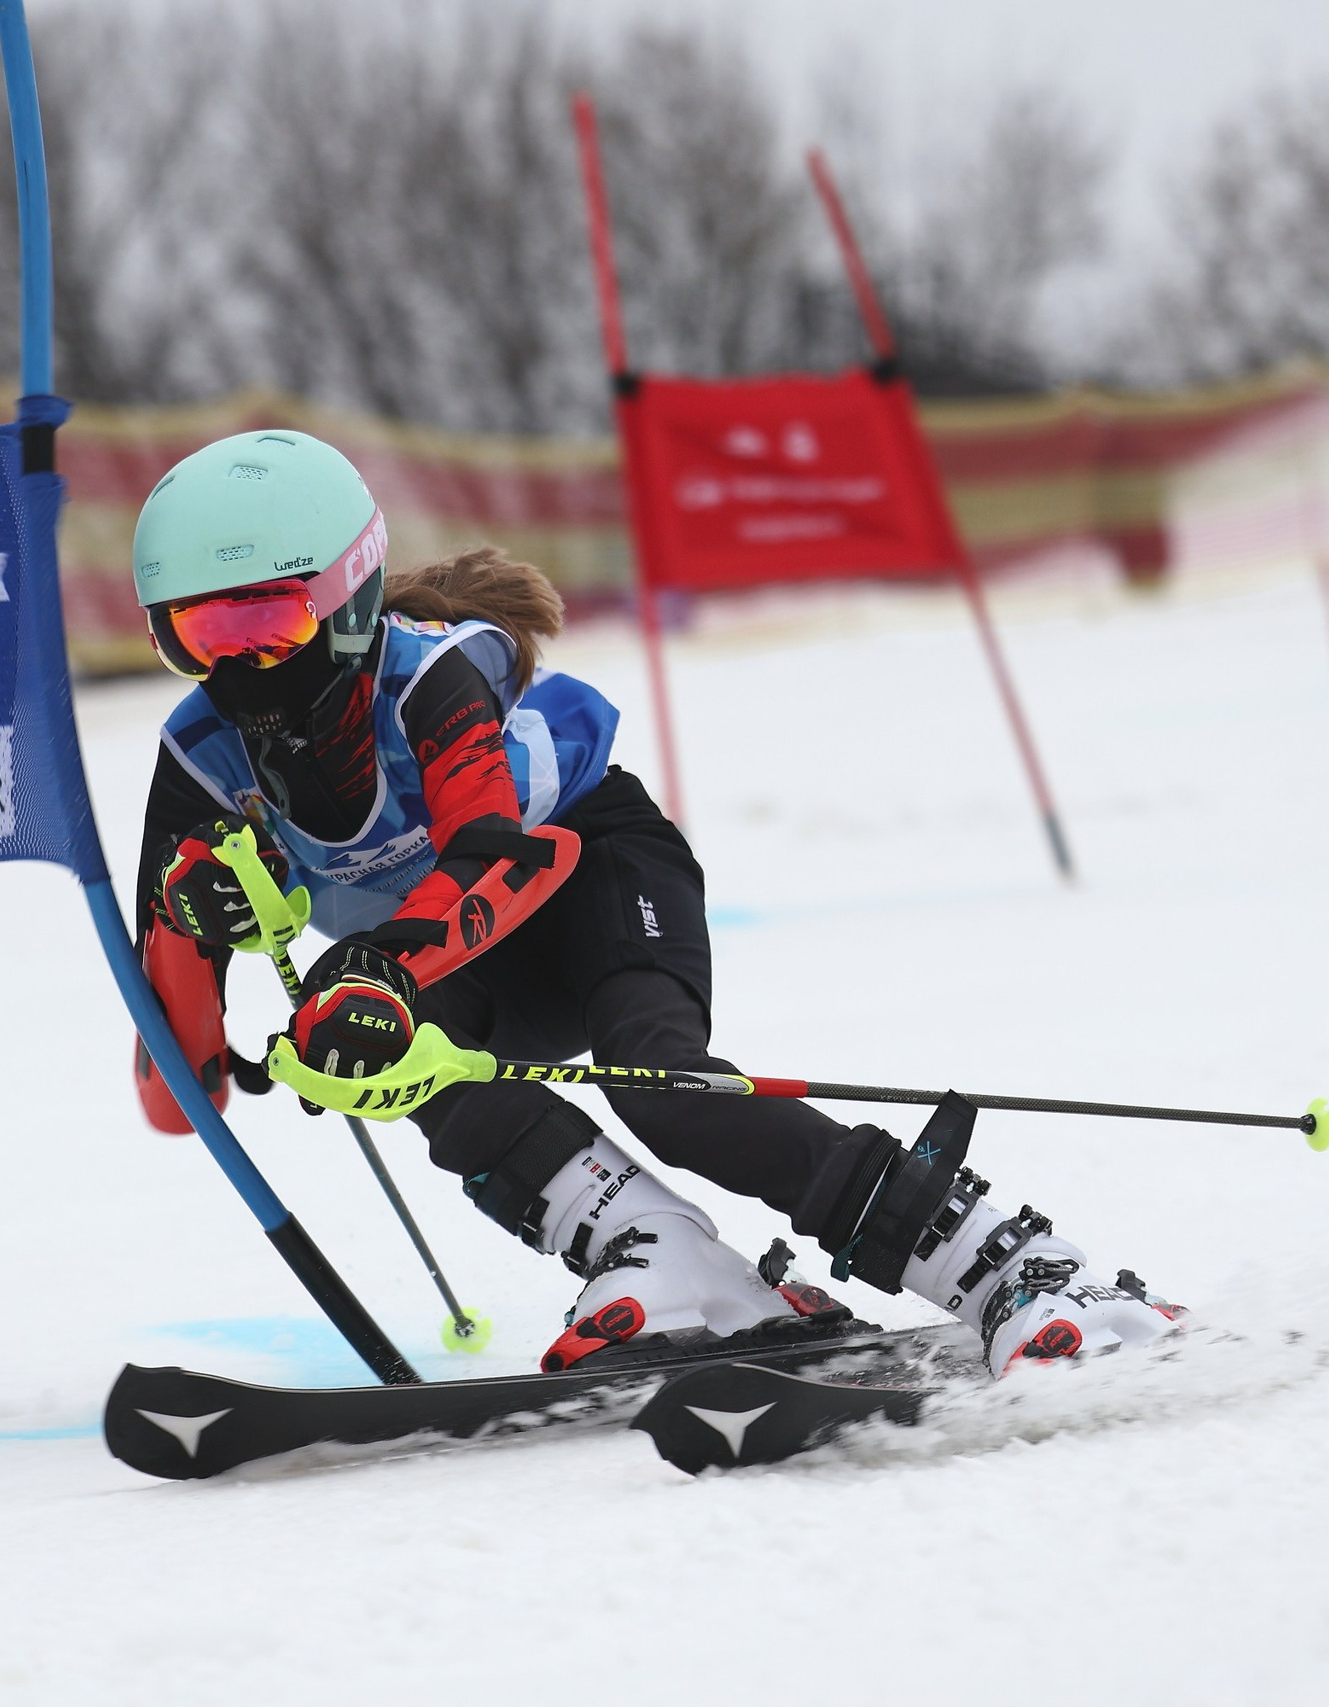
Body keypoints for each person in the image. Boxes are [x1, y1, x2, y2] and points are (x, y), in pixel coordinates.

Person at [126, 429, 1179, 1376]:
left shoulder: (431, 677)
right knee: (380, 1051)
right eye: (198, 636)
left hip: (594, 874)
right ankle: (664, 1258)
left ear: (350, 597)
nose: (239, 668)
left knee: (661, 1081)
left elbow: (499, 858)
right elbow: (178, 1094)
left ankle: (1009, 1265)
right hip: (458, 965)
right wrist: (190, 924)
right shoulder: (202, 759)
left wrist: (380, 970)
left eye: (268, 622)